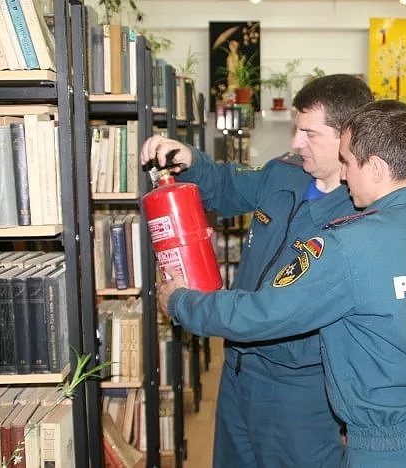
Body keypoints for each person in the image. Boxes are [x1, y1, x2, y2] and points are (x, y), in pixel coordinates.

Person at [156, 100, 406, 467]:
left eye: (349, 163)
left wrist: (182, 302)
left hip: (378, 448)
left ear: (375, 168)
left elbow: (265, 312)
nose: (344, 176)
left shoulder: (350, 247)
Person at [140, 74, 374, 468]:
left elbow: (276, 312)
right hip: (238, 370)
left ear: (348, 137)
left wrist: (185, 304)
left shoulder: (360, 217)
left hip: (301, 392)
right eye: (296, 129)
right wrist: (191, 160)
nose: (296, 142)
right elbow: (227, 187)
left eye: (309, 134)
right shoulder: (283, 173)